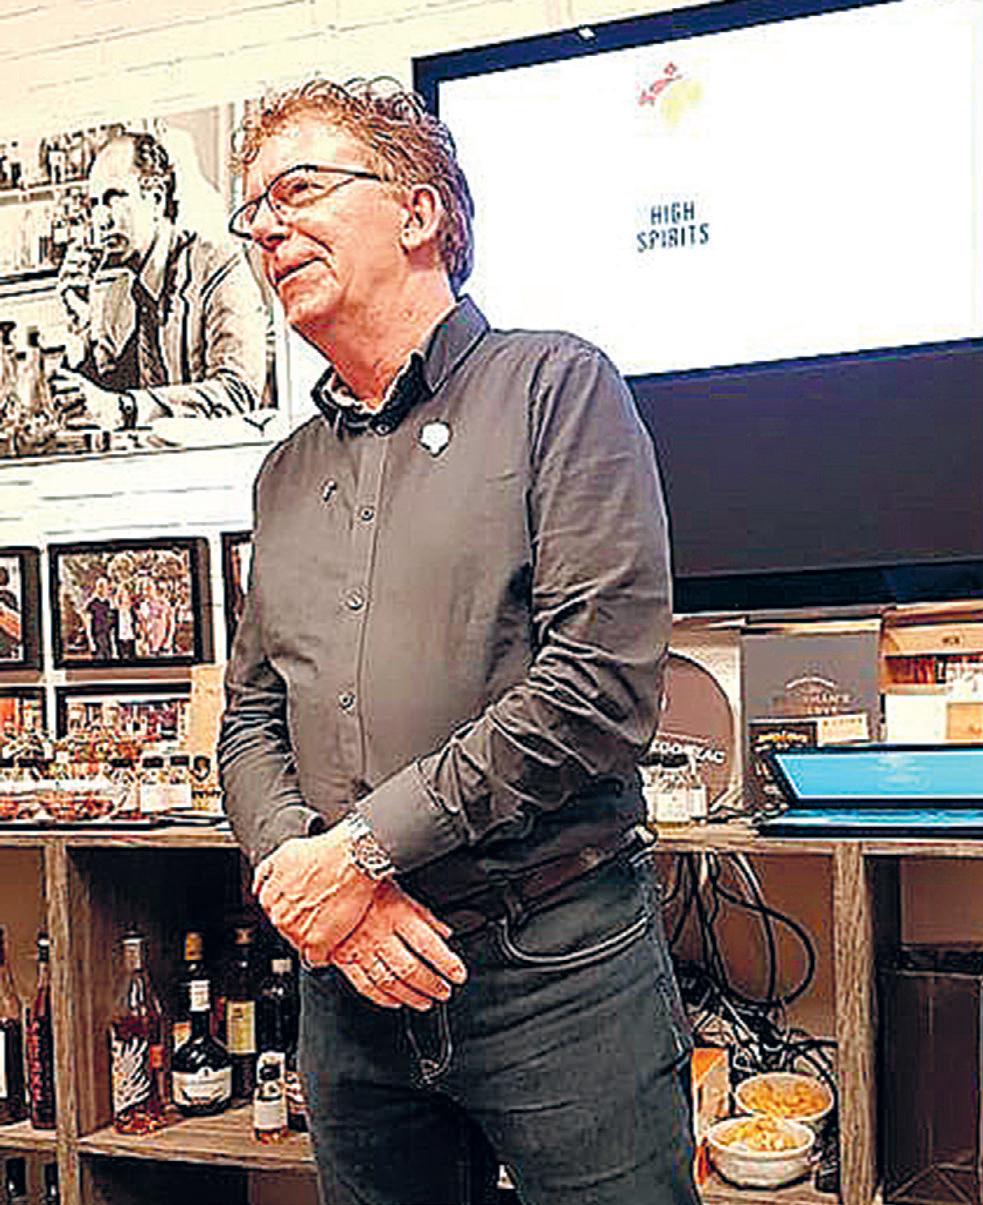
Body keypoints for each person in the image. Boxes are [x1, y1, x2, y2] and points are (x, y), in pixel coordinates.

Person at [218, 78, 698, 1205]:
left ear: (420, 212)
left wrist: (360, 852)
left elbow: (596, 687)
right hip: (350, 983)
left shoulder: (555, 387)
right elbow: (251, 718)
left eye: (299, 189)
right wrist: (312, 881)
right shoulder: (284, 472)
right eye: (254, 211)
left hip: (556, 971)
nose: (267, 229)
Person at [54, 130, 268, 434]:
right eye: (95, 205)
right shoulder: (116, 294)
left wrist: (126, 409)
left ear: (156, 198)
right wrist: (80, 325)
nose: (101, 220)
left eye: (114, 199)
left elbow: (238, 393)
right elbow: (102, 398)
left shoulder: (219, 265)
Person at [83, 576, 115, 660]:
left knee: (108, 652)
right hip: (97, 631)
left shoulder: (108, 602)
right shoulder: (92, 602)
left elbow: (112, 616)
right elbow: (87, 617)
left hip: (107, 631)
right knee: (100, 653)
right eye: (102, 587)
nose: (105, 589)